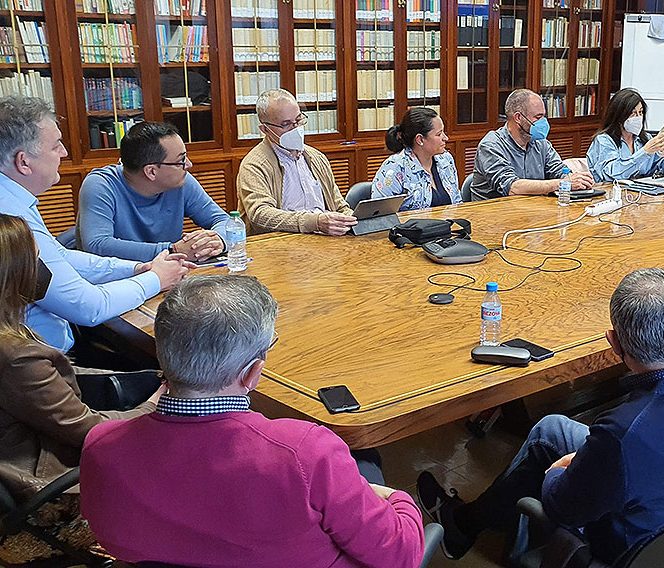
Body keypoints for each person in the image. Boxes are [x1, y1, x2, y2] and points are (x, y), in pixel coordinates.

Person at [416, 268, 664, 563]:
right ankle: (467, 523)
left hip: (638, 550)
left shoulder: (621, 433)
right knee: (552, 429)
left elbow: (562, 508)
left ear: (613, 343)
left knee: (553, 456)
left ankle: (463, 525)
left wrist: (559, 470)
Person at [79, 275, 425, 568]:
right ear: (253, 372)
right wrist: (396, 498)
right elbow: (401, 556)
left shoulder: (101, 446)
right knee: (367, 461)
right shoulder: (307, 453)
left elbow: (114, 542)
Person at [0, 213, 161, 565]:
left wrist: (146, 378)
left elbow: (53, 384)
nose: (42, 269)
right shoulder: (14, 354)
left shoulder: (12, 337)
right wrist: (155, 406)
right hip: (48, 485)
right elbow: (91, 432)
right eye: (35, 259)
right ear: (15, 274)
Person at [0, 95, 191, 353]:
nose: (64, 152)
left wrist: (136, 268)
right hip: (39, 370)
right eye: (56, 146)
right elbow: (88, 306)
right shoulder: (11, 216)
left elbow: (61, 257)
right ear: (23, 162)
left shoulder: (14, 200)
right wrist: (156, 279)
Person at [76, 121, 229, 262]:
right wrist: (171, 250)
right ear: (151, 172)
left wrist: (217, 241)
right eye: (181, 160)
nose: (189, 164)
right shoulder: (101, 185)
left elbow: (225, 221)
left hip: (168, 274)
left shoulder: (181, 181)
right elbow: (97, 244)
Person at [236, 89, 358, 235]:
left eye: (299, 120)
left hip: (326, 241)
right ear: (265, 129)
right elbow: (260, 214)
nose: (296, 128)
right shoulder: (254, 165)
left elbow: (337, 204)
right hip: (281, 244)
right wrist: (315, 222)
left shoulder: (316, 157)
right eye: (286, 124)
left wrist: (352, 218)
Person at [470, 88, 594, 200]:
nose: (543, 122)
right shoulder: (491, 145)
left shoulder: (541, 143)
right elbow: (512, 187)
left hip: (532, 211)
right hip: (493, 216)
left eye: (544, 117)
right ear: (518, 117)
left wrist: (576, 180)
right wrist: (562, 183)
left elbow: (558, 170)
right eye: (538, 117)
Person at [585, 88, 664, 182]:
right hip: (611, 197)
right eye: (633, 113)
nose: (638, 117)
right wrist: (644, 152)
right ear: (619, 116)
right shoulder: (604, 140)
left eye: (640, 112)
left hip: (643, 196)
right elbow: (612, 174)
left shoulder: (644, 139)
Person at [372, 107, 461, 211]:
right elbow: (380, 215)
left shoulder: (445, 159)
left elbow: (457, 203)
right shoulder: (395, 167)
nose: (446, 138)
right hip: (409, 226)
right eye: (439, 134)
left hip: (447, 225)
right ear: (420, 139)